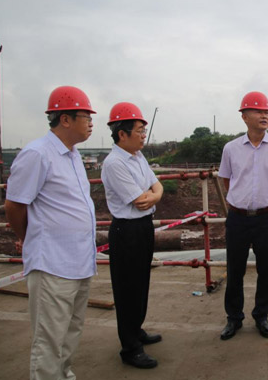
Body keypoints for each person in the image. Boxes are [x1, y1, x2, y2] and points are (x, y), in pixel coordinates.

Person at [4, 86, 97, 380]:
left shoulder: (73, 156)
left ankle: (64, 374)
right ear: (65, 119)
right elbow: (14, 205)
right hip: (52, 264)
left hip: (79, 261)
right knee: (49, 339)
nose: (91, 123)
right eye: (86, 117)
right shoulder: (37, 154)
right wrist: (28, 238)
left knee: (71, 331)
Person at [217, 91, 268, 340]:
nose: (264, 115)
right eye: (258, 111)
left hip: (266, 218)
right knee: (235, 270)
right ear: (244, 116)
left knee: (266, 270)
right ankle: (234, 318)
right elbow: (227, 181)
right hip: (238, 218)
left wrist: (264, 199)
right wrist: (242, 199)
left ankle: (262, 315)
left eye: (267, 111)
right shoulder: (231, 149)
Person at [101, 102, 163, 369]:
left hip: (143, 228)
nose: (143, 135)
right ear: (122, 134)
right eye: (139, 130)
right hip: (126, 230)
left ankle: (136, 330)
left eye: (143, 130)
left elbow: (157, 186)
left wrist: (155, 195)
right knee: (127, 288)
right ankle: (130, 348)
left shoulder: (138, 157)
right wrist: (153, 195)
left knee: (141, 282)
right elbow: (140, 201)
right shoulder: (114, 163)